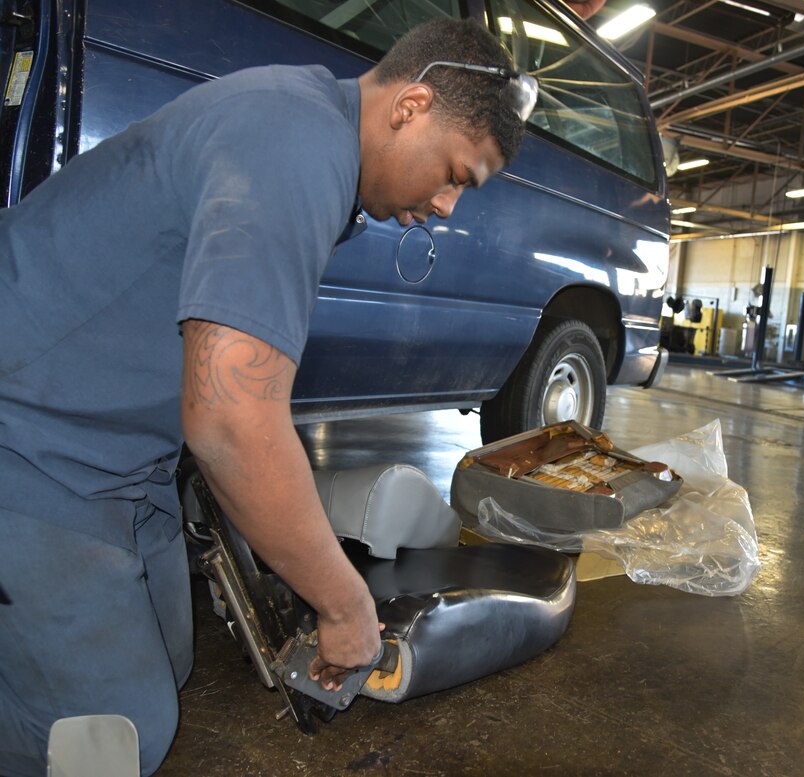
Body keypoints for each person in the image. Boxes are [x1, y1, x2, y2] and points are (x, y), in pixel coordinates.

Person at [0, 17, 534, 776]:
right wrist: (346, 605)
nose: (448, 205)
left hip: (119, 459)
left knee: (172, 663)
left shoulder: (311, 134)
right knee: (114, 739)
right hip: (25, 433)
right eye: (455, 172)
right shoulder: (296, 146)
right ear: (410, 106)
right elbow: (228, 419)